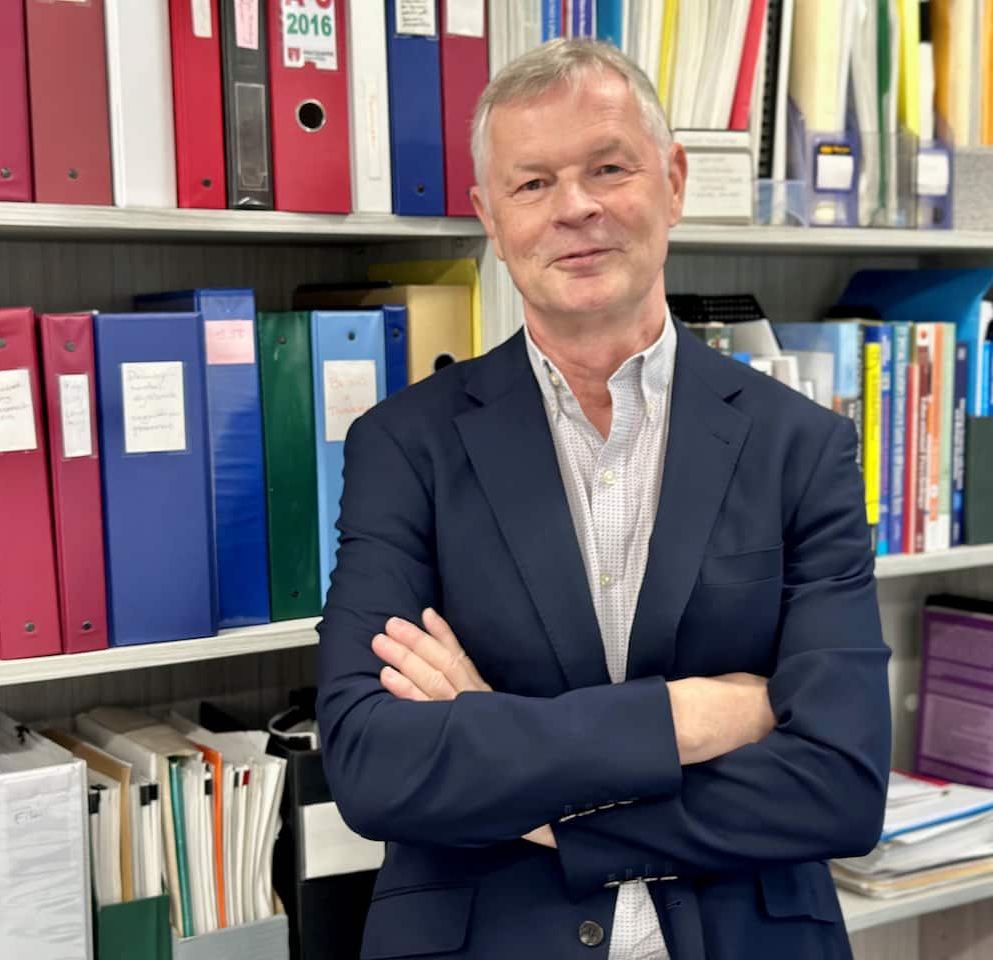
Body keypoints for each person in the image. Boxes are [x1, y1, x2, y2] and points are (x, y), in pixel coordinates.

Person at [317, 37, 891, 960]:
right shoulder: (403, 445)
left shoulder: (803, 445)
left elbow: (840, 786)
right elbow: (372, 764)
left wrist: (540, 796)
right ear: (489, 219)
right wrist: (692, 717)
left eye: (608, 167)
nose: (575, 207)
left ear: (673, 181)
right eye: (532, 183)